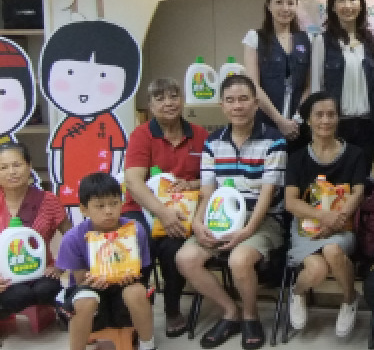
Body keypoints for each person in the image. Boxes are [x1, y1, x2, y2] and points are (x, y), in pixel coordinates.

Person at [175, 74, 287, 350]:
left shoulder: (274, 141)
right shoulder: (213, 143)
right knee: (185, 258)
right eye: (231, 100)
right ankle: (230, 312)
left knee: (239, 259)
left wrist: (247, 231)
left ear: (256, 104)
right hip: (219, 217)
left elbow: (268, 194)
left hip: (262, 219)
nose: (238, 106)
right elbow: (207, 190)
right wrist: (197, 222)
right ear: (222, 106)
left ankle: (250, 316)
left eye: (244, 99)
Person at [122, 77, 208, 338]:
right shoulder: (142, 135)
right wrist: (162, 212)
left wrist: (191, 184)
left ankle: (172, 308)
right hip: (142, 207)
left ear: (182, 100)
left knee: (173, 246)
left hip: (184, 208)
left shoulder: (200, 134)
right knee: (140, 240)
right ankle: (135, 310)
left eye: (173, 96)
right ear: (150, 105)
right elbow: (134, 182)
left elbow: (210, 178)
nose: (168, 103)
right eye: (160, 99)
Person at [284, 91, 367, 338]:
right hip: (305, 229)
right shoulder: (297, 158)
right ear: (308, 120)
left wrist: (336, 220)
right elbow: (290, 202)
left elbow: (358, 193)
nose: (325, 120)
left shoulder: (355, 154)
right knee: (316, 270)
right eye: (319, 115)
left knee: (333, 250)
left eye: (331, 114)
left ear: (338, 118)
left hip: (342, 226)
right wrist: (323, 218)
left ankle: (349, 298)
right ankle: (297, 293)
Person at [40, 21, 140, 206]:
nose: (83, 91)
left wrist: (116, 179)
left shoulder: (109, 123)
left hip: (106, 188)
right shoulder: (67, 124)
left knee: (105, 216)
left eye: (103, 75)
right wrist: (58, 179)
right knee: (75, 217)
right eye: (70, 73)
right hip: (70, 186)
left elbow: (118, 153)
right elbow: (56, 152)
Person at [56, 172, 154, 350]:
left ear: (121, 202)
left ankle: (148, 345)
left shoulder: (135, 230)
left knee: (136, 292)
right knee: (85, 300)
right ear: (84, 209)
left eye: (114, 203)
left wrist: (133, 277)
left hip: (124, 289)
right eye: (100, 206)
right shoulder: (73, 238)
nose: (108, 211)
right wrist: (91, 282)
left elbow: (143, 271)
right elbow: (79, 281)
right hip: (90, 290)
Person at [310, 0, 374, 173]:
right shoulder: (323, 42)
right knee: (336, 181)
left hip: (367, 126)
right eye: (341, 0)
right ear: (333, 7)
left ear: (361, 5)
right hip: (336, 125)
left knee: (362, 180)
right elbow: (316, 87)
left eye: (352, 0)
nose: (348, 6)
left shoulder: (370, 42)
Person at [0, 142, 71, 317]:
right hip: (6, 279)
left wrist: (59, 266)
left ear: (29, 166)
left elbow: (71, 238)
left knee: (46, 289)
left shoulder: (48, 200)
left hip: (42, 273)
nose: (11, 172)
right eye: (3, 167)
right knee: (18, 295)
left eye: (17, 165)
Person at [242, 0, 311, 148]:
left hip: (298, 126)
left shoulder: (307, 39)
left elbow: (309, 85)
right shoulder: (255, 38)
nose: (285, 8)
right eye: (279, 2)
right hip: (265, 123)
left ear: (296, 6)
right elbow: (253, 85)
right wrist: (280, 121)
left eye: (290, 3)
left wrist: (296, 119)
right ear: (268, 6)